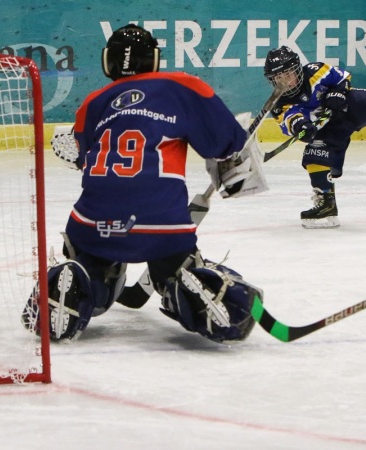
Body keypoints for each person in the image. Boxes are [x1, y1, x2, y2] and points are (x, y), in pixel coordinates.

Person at [22, 24, 263, 344]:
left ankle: (82, 281)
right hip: (162, 226)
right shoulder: (184, 85)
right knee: (176, 269)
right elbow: (226, 146)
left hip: (93, 224)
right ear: (153, 59)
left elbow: (81, 156)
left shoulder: (94, 102)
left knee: (89, 258)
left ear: (109, 62)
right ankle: (184, 284)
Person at [264, 45, 366, 229]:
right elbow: (291, 121)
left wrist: (338, 92)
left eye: (288, 75)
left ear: (297, 70)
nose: (284, 82)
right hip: (328, 129)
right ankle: (327, 205)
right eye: (278, 78)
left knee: (361, 99)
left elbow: (342, 77)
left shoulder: (315, 71)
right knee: (314, 153)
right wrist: (301, 127)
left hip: (346, 109)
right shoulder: (279, 103)